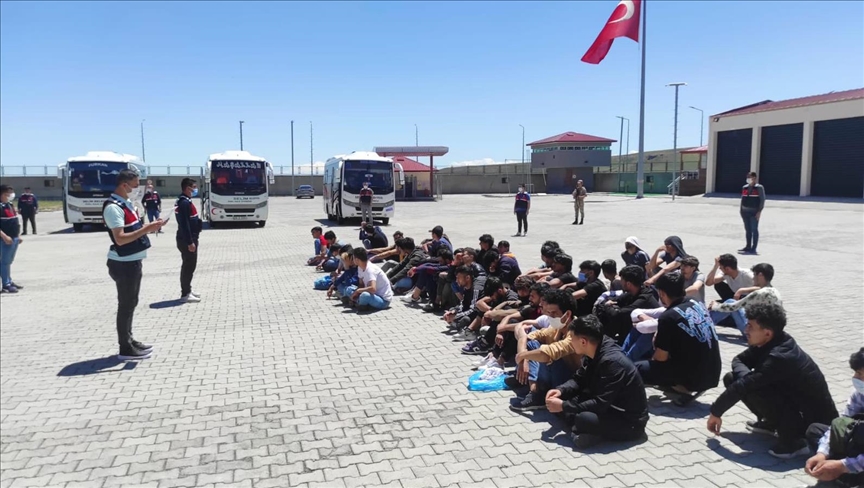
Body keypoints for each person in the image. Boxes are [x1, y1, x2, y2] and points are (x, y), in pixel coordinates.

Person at [707, 303, 838, 459]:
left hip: (814, 424)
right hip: (792, 404)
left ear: (767, 333)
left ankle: (795, 442)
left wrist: (716, 412)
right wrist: (746, 379)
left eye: (750, 327)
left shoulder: (779, 356)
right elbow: (739, 360)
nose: (746, 330)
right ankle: (771, 423)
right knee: (734, 379)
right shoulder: (773, 340)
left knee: (748, 386)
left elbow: (744, 385)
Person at [546, 314, 649, 449]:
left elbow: (600, 403)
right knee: (561, 401)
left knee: (583, 418)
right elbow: (579, 379)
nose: (570, 342)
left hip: (629, 421)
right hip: (607, 404)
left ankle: (589, 433)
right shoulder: (594, 349)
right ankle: (583, 431)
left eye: (571, 338)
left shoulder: (613, 363)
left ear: (583, 342)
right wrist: (560, 391)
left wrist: (564, 406)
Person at [102, 170, 163, 360]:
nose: (138, 189)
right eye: (135, 185)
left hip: (132, 261)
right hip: (123, 264)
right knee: (126, 305)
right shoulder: (113, 208)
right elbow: (120, 239)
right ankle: (125, 348)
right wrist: (146, 229)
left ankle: (129, 340)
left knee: (131, 303)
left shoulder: (126, 204)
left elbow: (134, 230)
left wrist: (151, 227)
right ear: (124, 185)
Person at [635, 272, 721, 406]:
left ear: (662, 293)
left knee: (638, 368)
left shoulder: (668, 317)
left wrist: (656, 344)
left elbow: (660, 358)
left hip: (694, 378)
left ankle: (682, 387)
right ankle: (679, 384)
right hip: (713, 373)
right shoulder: (696, 303)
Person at [509, 289, 582, 411]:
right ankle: (535, 390)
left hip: (573, 380)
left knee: (549, 355)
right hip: (558, 374)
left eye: (554, 313)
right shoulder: (556, 328)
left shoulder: (577, 332)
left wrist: (522, 356)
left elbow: (547, 354)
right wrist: (523, 359)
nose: (550, 317)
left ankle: (538, 392)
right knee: (532, 344)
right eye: (548, 313)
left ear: (567, 314)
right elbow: (526, 336)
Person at [805, 348, 864, 486]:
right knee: (816, 431)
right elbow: (842, 423)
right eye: (856, 372)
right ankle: (843, 475)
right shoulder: (859, 394)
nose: (856, 378)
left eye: (861, 374)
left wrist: (843, 465)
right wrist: (822, 454)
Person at [708, 262, 780, 335]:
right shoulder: (775, 292)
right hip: (770, 331)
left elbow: (734, 307)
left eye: (754, 275)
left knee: (730, 302)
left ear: (760, 275)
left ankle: (706, 324)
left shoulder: (759, 293)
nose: (753, 278)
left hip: (756, 334)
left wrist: (715, 306)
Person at [175, 178, 202, 303]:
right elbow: (184, 224)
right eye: (194, 187)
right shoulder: (184, 203)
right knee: (188, 266)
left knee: (190, 266)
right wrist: (190, 242)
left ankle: (188, 290)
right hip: (187, 240)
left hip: (190, 237)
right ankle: (185, 294)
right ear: (187, 188)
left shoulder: (186, 201)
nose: (195, 189)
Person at [0, 185, 23, 293]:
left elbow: (14, 221)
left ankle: (9, 280)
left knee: (9, 261)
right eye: (8, 193)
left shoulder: (9, 205)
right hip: (5, 239)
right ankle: (6, 284)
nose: (11, 195)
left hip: (13, 237)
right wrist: (4, 236)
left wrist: (17, 235)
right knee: (4, 262)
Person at [740, 171, 765, 255]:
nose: (748, 179)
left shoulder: (759, 187)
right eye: (748, 177)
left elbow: (762, 200)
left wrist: (759, 211)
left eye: (750, 177)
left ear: (754, 178)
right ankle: (748, 246)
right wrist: (741, 210)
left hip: (754, 212)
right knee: (748, 230)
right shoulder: (745, 187)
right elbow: (742, 199)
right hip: (745, 211)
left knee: (754, 229)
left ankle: (754, 248)